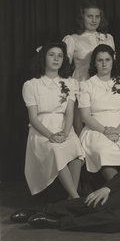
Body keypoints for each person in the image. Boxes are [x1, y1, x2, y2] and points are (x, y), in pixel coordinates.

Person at [21, 41, 85, 199]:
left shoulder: (70, 83)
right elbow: (33, 118)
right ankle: (76, 199)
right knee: (57, 151)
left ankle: (71, 199)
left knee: (77, 151)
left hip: (64, 127)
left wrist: (65, 132)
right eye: (52, 55)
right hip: (42, 130)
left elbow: (69, 112)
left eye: (60, 56)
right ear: (43, 58)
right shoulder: (32, 85)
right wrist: (51, 135)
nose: (56, 59)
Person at [78, 44, 120, 182]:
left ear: (113, 61)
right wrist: (105, 131)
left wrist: (119, 130)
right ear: (94, 63)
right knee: (103, 151)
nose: (104, 64)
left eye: (107, 60)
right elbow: (85, 116)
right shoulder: (87, 85)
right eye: (100, 60)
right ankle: (118, 191)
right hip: (96, 129)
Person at [63, 0, 115, 134]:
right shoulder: (72, 39)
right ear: (82, 17)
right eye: (90, 16)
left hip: (103, 85)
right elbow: (64, 67)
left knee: (103, 123)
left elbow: (113, 64)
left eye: (97, 16)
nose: (94, 20)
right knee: (81, 125)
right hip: (82, 83)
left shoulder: (108, 38)